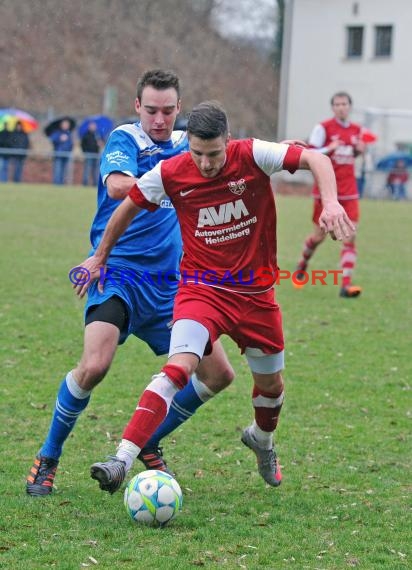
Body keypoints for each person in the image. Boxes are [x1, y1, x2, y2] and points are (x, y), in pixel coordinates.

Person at [74, 100, 355, 494]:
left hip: (257, 296)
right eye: (197, 153)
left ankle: (261, 439)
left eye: (214, 154)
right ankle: (120, 458)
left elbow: (318, 160)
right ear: (188, 144)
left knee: (271, 388)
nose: (205, 164)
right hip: (201, 290)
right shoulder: (171, 172)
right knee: (179, 367)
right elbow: (129, 205)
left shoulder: (253, 154)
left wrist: (329, 203)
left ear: (229, 140)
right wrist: (100, 255)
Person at [26, 71, 234, 497]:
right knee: (94, 366)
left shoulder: (187, 146)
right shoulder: (125, 139)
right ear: (138, 107)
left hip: (172, 286)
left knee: (218, 374)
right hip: (117, 274)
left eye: (168, 111)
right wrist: (164, 181)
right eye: (152, 110)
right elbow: (118, 185)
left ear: (179, 109)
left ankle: (149, 437)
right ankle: (48, 456)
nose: (160, 119)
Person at [294, 92, 365, 298]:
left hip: (350, 192)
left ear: (349, 107)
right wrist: (329, 148)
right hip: (326, 193)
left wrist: (359, 151)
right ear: (332, 108)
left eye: (344, 104)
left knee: (350, 237)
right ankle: (302, 265)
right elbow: (311, 154)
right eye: (337, 104)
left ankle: (346, 285)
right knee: (318, 237)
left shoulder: (356, 131)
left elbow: (352, 154)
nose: (341, 107)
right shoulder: (323, 128)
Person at [49, 119, 74, 185]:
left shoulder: (69, 134)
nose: (66, 126)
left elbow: (71, 144)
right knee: (58, 170)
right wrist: (60, 138)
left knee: (64, 171)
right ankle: (57, 183)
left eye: (67, 125)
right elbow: (52, 140)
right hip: (58, 154)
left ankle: (62, 183)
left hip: (66, 154)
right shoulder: (57, 132)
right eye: (64, 124)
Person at [81, 121, 101, 186]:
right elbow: (82, 144)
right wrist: (85, 152)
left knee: (95, 170)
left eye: (94, 126)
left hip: (96, 154)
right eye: (92, 126)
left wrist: (99, 144)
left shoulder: (97, 135)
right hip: (88, 154)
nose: (93, 127)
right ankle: (85, 183)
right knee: (87, 169)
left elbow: (100, 144)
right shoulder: (86, 135)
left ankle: (95, 183)